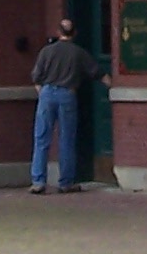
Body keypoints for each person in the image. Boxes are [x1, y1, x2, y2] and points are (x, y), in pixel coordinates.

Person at [30, 18, 100, 194]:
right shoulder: (78, 53)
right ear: (74, 33)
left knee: (41, 138)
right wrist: (113, 85)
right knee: (67, 139)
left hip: (47, 93)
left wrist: (44, 93)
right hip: (67, 94)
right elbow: (97, 72)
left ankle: (38, 181)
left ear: (58, 32)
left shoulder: (46, 52)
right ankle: (66, 182)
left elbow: (36, 77)